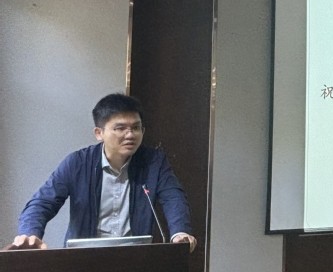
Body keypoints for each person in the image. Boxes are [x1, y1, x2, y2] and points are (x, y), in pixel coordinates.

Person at [13, 93, 197, 252]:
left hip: (135, 258)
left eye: (136, 127)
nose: (130, 135)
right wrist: (30, 233)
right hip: (85, 259)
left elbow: (173, 197)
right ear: (99, 133)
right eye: (120, 128)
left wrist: (179, 232)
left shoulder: (153, 162)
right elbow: (42, 202)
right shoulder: (77, 163)